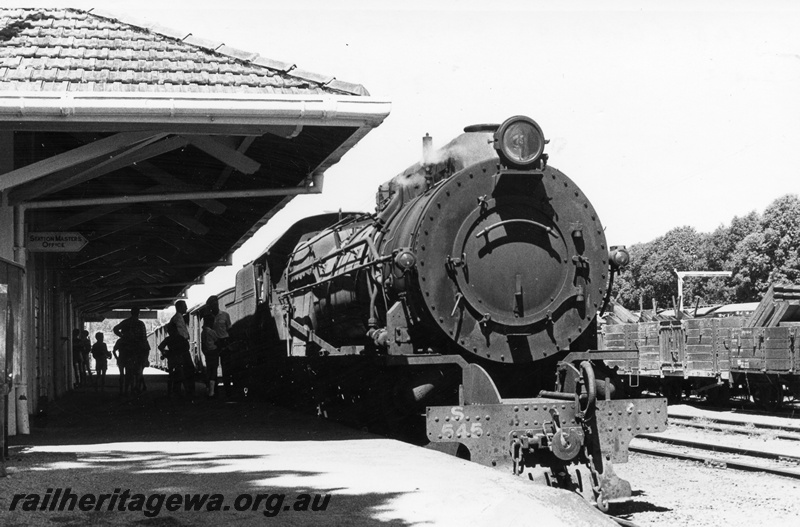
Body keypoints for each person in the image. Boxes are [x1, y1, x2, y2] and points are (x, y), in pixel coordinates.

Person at [113, 308, 150, 396]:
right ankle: (134, 388)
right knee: (137, 371)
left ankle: (125, 390)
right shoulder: (140, 324)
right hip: (137, 350)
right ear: (138, 314)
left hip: (125, 351)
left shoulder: (125, 322)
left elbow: (115, 329)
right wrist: (145, 357)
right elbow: (144, 339)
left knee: (125, 372)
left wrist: (122, 336)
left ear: (131, 312)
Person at [158, 322, 195, 398]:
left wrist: (165, 353)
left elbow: (160, 346)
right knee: (182, 376)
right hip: (180, 359)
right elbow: (187, 347)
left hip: (171, 359)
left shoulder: (168, 339)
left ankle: (170, 392)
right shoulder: (181, 338)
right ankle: (186, 391)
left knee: (171, 376)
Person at [206, 295, 232, 396]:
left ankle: (228, 390)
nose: (215, 305)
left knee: (226, 367)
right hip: (214, 344)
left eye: (216, 303)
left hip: (224, 342)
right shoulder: (208, 318)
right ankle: (215, 391)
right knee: (214, 367)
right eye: (212, 303)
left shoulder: (225, 315)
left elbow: (229, 329)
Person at [201, 314, 219, 397]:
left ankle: (207, 389)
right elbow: (217, 339)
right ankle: (212, 391)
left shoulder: (202, 332)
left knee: (209, 370)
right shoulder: (211, 332)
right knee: (214, 370)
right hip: (214, 351)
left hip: (207, 352)